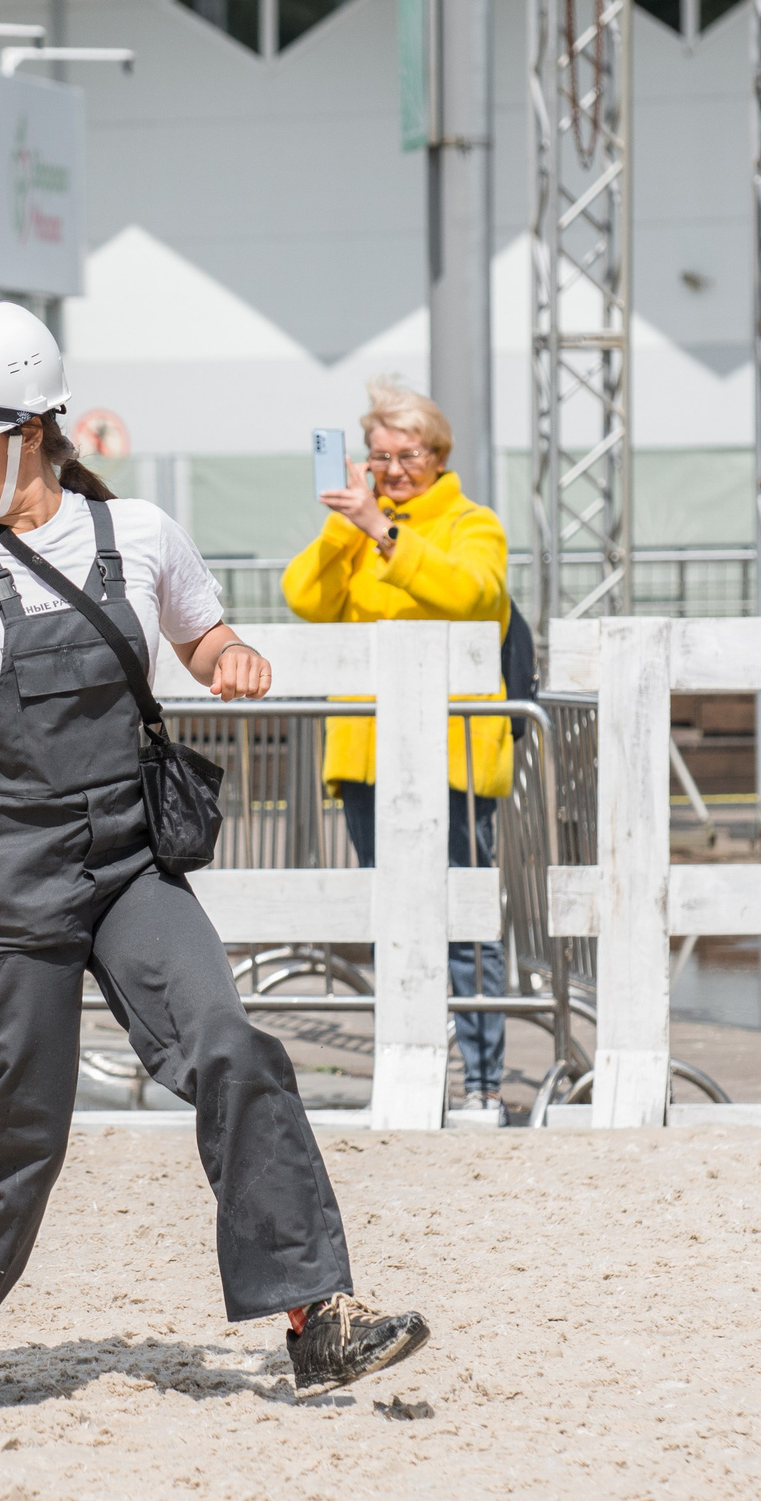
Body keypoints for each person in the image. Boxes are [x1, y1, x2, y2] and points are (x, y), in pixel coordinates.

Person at [0, 302, 430, 1406]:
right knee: (21, 1115)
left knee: (226, 1040)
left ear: (31, 428)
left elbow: (198, 632)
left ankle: (317, 1313)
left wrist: (232, 658)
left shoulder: (141, 536)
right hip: (8, 865)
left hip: (129, 858)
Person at [283, 378, 513, 1117]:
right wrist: (344, 529)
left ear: (438, 455)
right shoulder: (359, 530)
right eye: (380, 456)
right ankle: (412, 1068)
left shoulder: (473, 523)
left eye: (407, 454)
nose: (394, 469)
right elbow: (303, 598)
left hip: (454, 758)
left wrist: (385, 531)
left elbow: (474, 594)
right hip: (366, 759)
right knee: (392, 921)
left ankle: (482, 1080)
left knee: (461, 921)